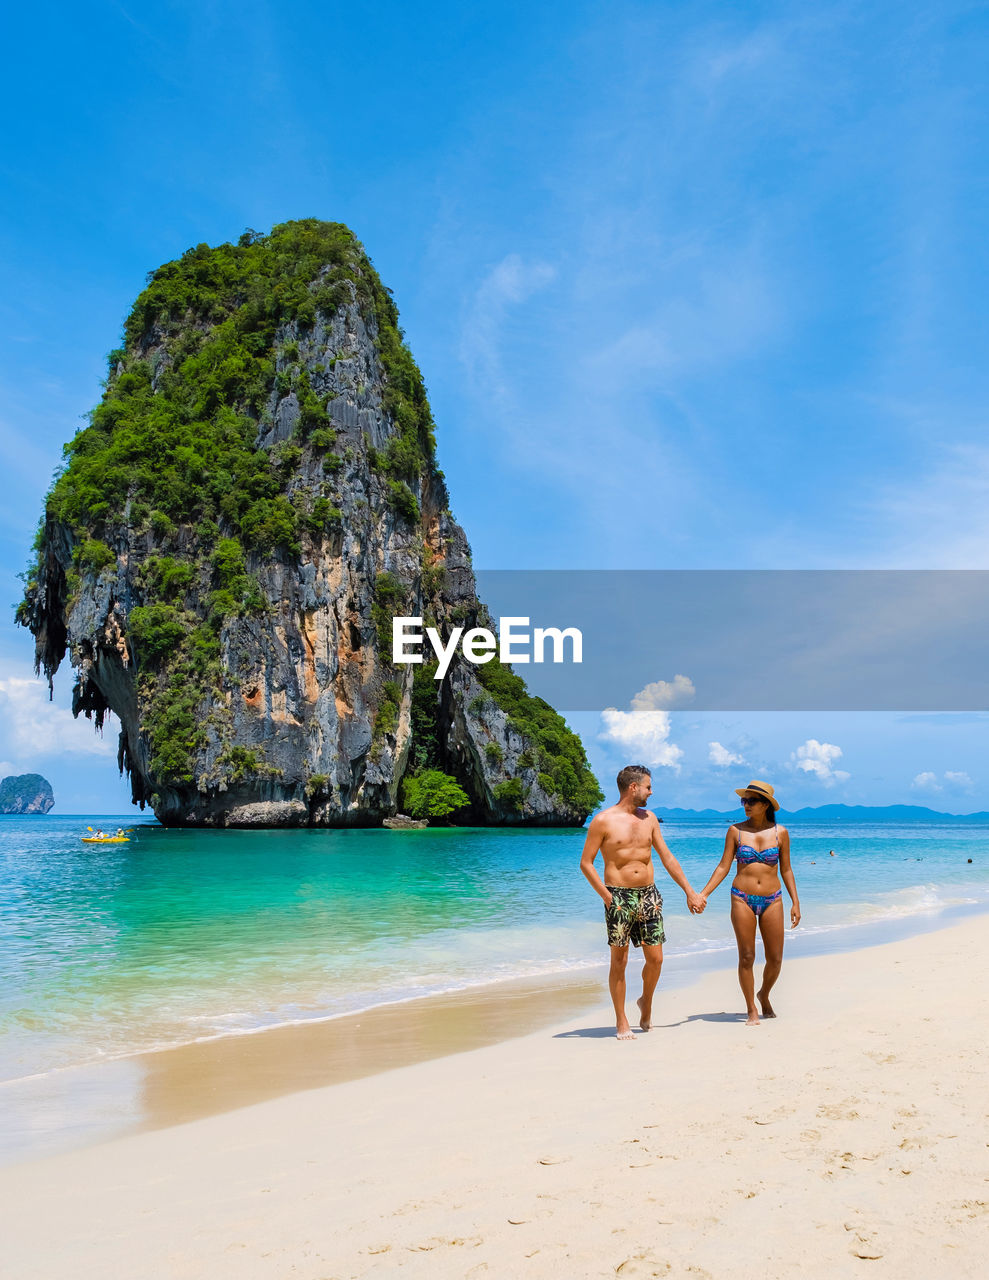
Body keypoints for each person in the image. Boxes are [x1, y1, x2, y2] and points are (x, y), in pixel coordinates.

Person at [580, 765, 706, 1040]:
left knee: (656, 958)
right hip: (619, 896)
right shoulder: (603, 820)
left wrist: (690, 891)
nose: (651, 791)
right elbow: (586, 863)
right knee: (620, 960)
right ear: (633, 787)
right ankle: (621, 1020)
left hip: (649, 894)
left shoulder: (649, 818)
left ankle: (645, 1000)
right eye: (648, 786)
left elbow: (667, 857)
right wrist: (607, 896)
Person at [699, 780, 801, 1026]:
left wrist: (795, 902)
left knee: (775, 959)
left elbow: (786, 869)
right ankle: (751, 1008)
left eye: (751, 801)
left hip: (773, 899)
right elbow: (724, 866)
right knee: (746, 956)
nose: (746, 805)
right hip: (741, 898)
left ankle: (764, 994)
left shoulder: (781, 833)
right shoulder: (735, 831)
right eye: (744, 800)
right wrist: (703, 894)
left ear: (765, 805)